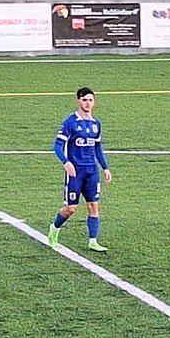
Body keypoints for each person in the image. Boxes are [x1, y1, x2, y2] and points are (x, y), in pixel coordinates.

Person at [49, 87, 113, 252]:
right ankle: (54, 229)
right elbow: (57, 145)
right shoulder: (70, 122)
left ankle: (93, 241)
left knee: (93, 205)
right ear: (78, 101)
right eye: (85, 100)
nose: (88, 103)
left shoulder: (96, 124)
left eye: (90, 100)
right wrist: (66, 162)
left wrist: (105, 167)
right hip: (75, 171)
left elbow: (98, 147)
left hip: (91, 170)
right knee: (71, 208)